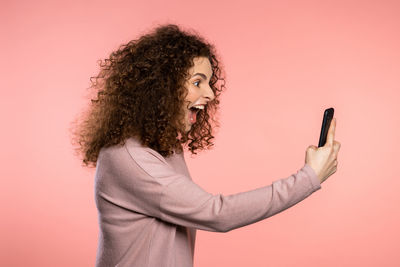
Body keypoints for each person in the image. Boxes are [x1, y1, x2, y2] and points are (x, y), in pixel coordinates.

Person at [70, 23, 341, 267]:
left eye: (209, 83)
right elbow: (216, 213)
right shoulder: (130, 158)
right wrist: (309, 177)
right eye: (197, 82)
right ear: (161, 87)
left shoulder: (163, 147)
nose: (210, 93)